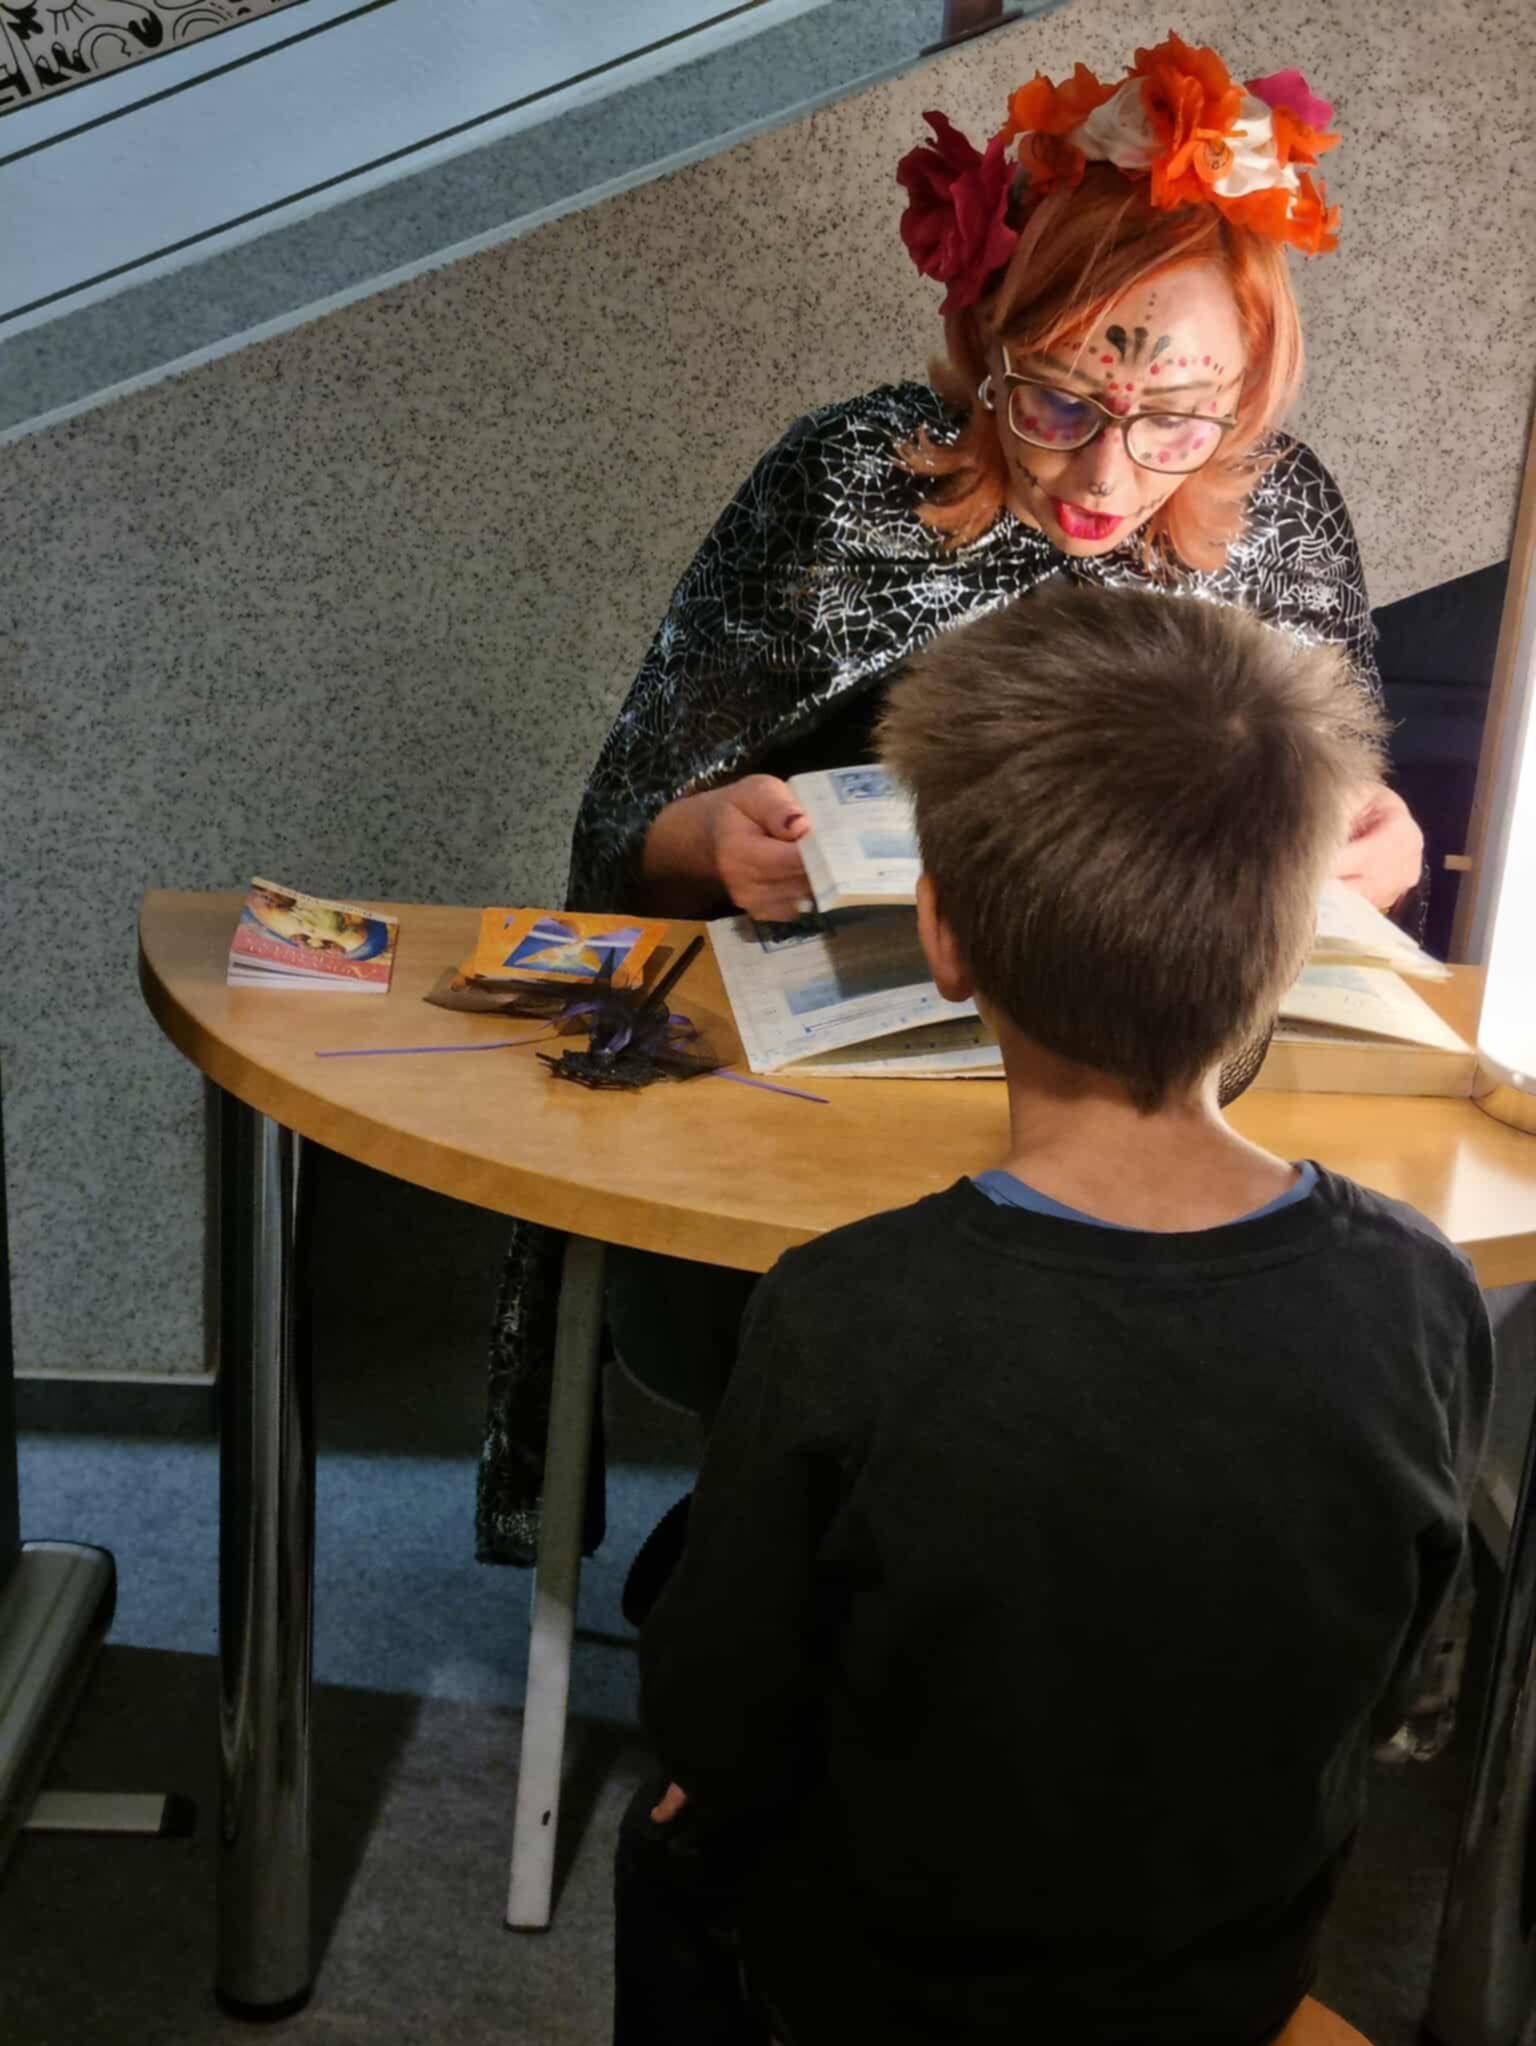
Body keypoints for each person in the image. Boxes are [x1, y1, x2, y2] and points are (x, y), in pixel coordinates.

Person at [476, 34, 1425, 1575]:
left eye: (1179, 422)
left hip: (1168, 1114)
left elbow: (1352, 819)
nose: (1106, 475)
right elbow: (633, 820)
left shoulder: (1283, 510)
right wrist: (710, 839)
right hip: (825, 1110)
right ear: (988, 335)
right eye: (1058, 402)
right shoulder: (852, 481)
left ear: (1250, 397)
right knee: (880, 1399)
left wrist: (1373, 847)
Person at [614, 581, 1491, 2046]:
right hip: (1228, 1977)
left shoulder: (848, 1309)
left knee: (670, 1840)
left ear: (943, 939)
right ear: (1300, 948)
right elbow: (1397, 1673)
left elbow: (719, 1712)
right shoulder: (1421, 1286)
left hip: (891, 1997)